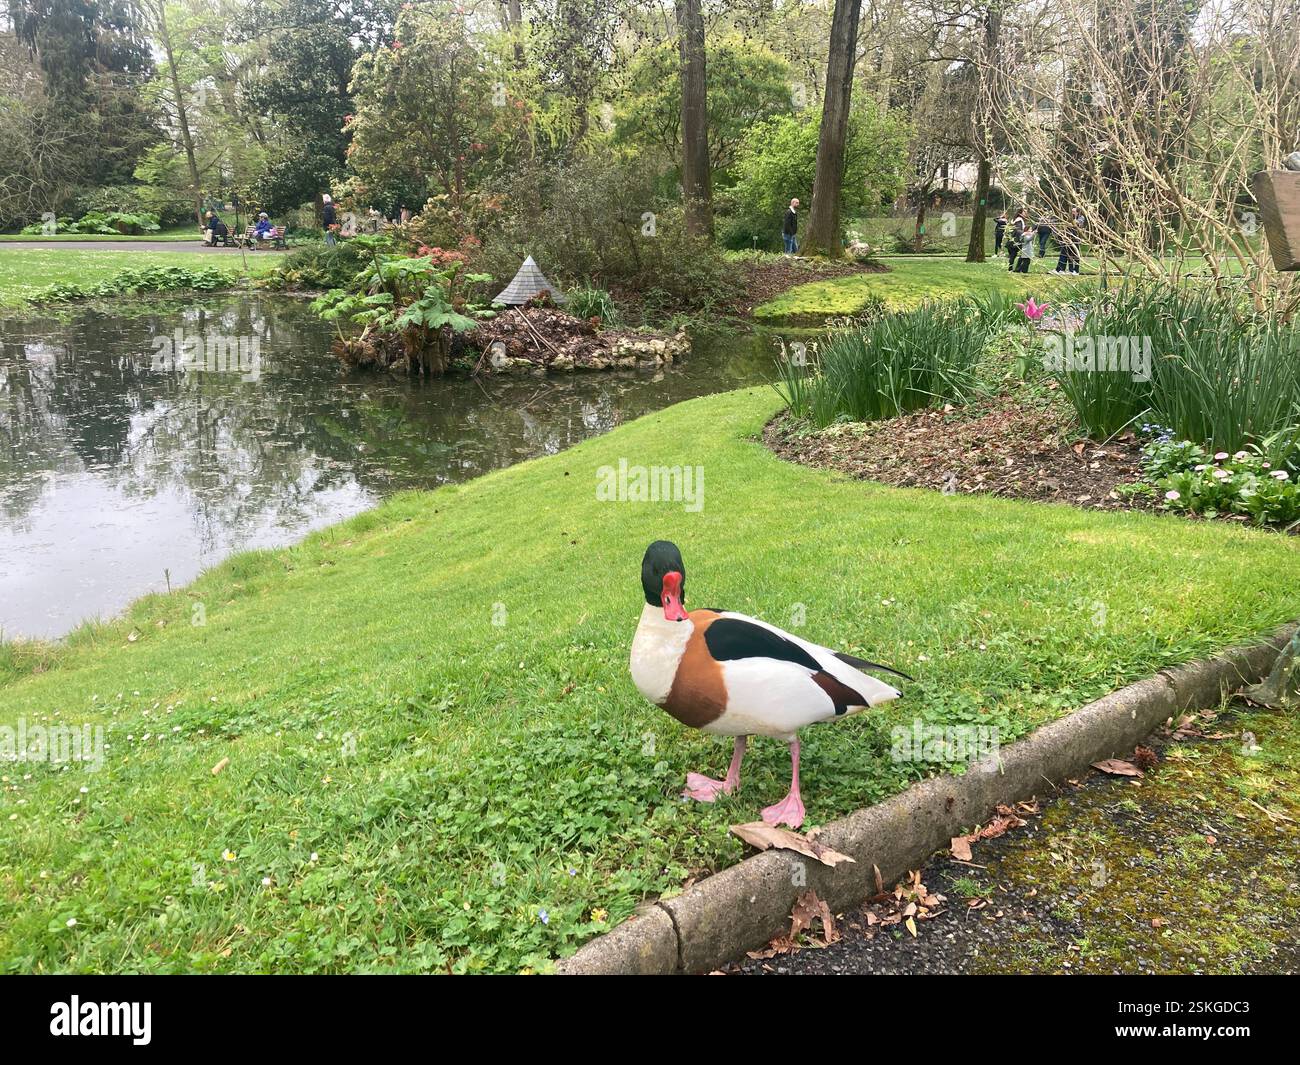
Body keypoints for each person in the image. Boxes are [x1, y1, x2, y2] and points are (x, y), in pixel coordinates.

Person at [1055, 207, 1082, 274]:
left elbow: (1077, 224)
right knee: (1066, 254)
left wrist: (1072, 223)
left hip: (1075, 239)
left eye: (1074, 211)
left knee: (1075, 255)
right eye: (1072, 211)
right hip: (1068, 239)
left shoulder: (1081, 218)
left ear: (1077, 212)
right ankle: (1066, 270)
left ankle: (1075, 270)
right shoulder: (1070, 218)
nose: (1072, 213)